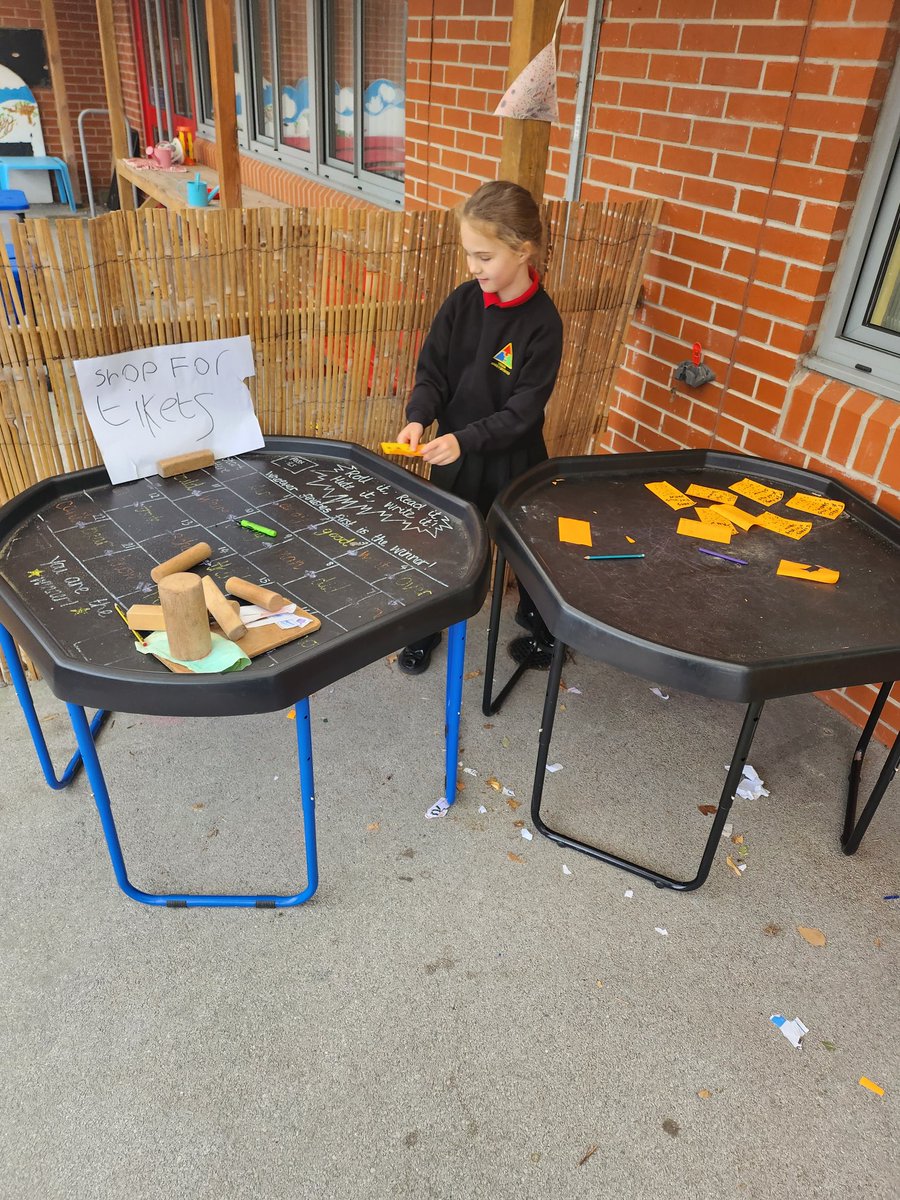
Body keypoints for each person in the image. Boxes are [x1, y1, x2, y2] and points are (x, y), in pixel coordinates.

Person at [394, 179, 564, 674]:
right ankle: (424, 629)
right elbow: (434, 373)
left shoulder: (543, 324)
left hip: (513, 456)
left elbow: (523, 413)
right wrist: (418, 417)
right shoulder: (463, 302)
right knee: (445, 543)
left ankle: (543, 630)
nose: (474, 267)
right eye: (469, 254)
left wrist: (463, 439)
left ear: (523, 250)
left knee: (527, 545)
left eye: (485, 256)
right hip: (454, 455)